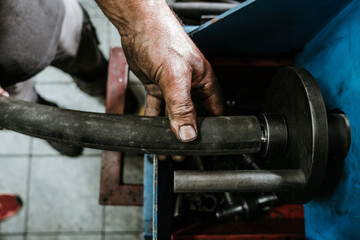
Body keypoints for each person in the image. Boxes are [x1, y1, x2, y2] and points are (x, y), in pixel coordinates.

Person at [0, 0, 223, 150]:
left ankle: (109, 94)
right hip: (6, 86)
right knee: (26, 109)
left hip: (48, 17)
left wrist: (143, 21)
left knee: (92, 68)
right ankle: (46, 127)